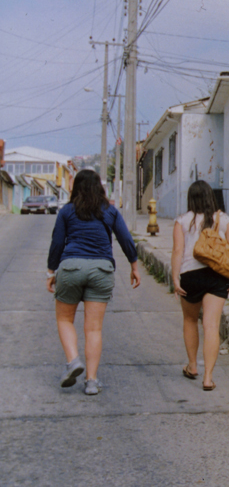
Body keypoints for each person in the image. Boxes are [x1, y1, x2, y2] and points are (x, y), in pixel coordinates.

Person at [47, 169, 141, 395]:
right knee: (93, 328)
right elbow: (125, 239)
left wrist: (51, 271)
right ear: (99, 187)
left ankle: (73, 361)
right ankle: (91, 381)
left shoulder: (67, 211)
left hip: (71, 267)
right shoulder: (110, 211)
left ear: (75, 188)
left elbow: (57, 243)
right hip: (101, 269)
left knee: (64, 319)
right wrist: (134, 265)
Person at [171, 180, 229, 391]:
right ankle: (208, 378)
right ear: (211, 197)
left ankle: (192, 366)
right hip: (217, 275)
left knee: (190, 320)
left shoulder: (182, 221)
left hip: (190, 275)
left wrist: (174, 278)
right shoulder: (225, 220)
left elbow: (177, 252)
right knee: (211, 326)